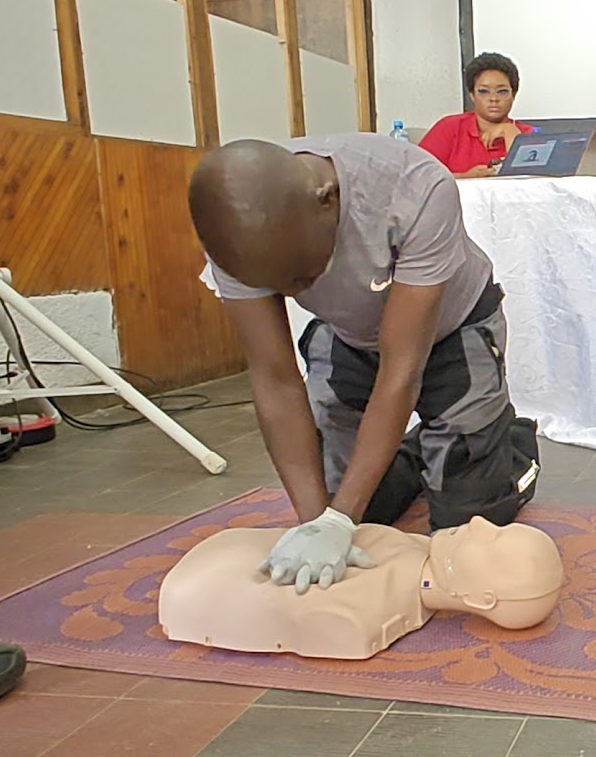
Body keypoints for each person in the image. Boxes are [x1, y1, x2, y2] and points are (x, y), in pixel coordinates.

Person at [188, 133, 541, 594]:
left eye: (302, 277)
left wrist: (339, 521)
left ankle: (510, 447)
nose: (297, 291)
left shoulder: (413, 189)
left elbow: (402, 369)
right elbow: (275, 379)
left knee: (469, 526)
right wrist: (320, 522)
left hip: (452, 327)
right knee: (357, 512)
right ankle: (420, 453)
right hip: (350, 333)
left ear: (327, 201)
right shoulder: (234, 233)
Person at [419, 52, 534, 178]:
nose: (493, 99)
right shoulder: (450, 127)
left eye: (502, 92)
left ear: (514, 95)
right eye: (484, 91)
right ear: (472, 95)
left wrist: (510, 132)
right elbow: (418, 177)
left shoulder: (526, 133)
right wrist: (466, 177)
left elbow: (531, 182)